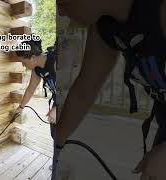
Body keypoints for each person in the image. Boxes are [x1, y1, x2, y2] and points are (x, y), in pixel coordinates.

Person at [56, 0, 166, 179]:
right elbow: (85, 89)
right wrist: (57, 144)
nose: (61, 13)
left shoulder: (160, 10)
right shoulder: (104, 28)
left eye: (62, 3)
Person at [14, 39, 60, 177]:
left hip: (71, 100)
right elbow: (30, 90)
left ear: (33, 57)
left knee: (67, 134)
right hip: (58, 102)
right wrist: (21, 107)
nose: (23, 65)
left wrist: (57, 108)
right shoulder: (37, 70)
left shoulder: (56, 62)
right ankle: (58, 161)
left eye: (23, 61)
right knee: (55, 135)